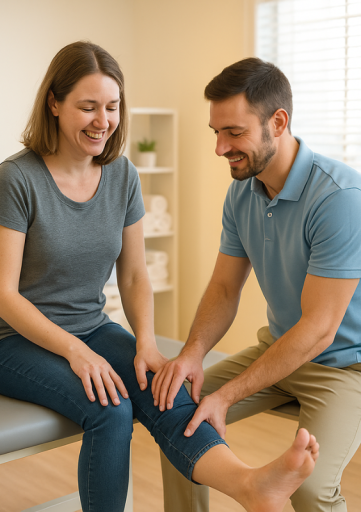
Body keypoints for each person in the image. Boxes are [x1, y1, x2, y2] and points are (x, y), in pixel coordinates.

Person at [0, 42, 320, 512]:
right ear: (54, 104)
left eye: (112, 107)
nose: (103, 120)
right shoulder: (17, 179)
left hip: (92, 328)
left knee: (164, 387)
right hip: (10, 342)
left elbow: (136, 274)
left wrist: (145, 343)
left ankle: (248, 485)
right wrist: (78, 353)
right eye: (88, 106)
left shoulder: (122, 175)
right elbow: (1, 293)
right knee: (110, 411)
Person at [153, 57, 361, 512]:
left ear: (278, 122)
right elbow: (225, 288)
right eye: (216, 132)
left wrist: (225, 396)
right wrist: (191, 354)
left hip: (345, 368)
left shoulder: (340, 199)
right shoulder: (241, 192)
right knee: (177, 420)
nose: (220, 147)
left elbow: (319, 330)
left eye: (234, 132)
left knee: (309, 488)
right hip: (280, 349)